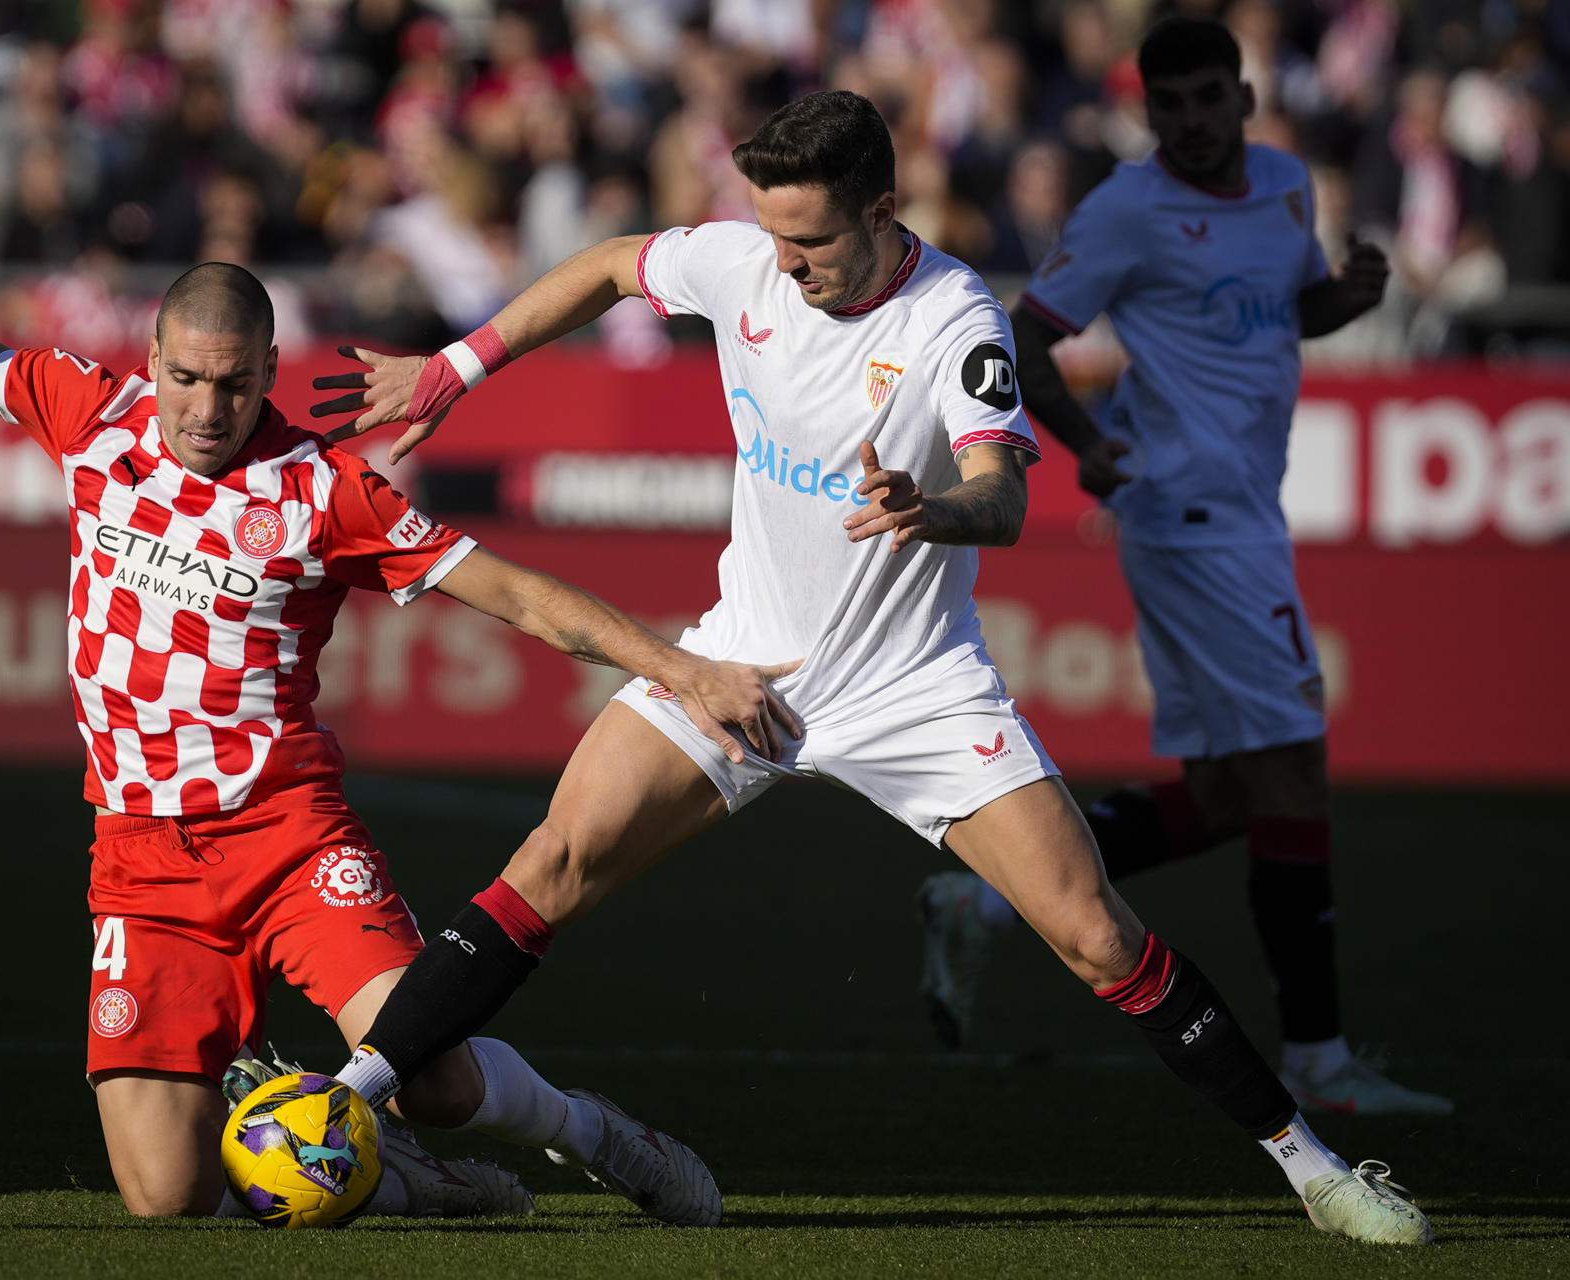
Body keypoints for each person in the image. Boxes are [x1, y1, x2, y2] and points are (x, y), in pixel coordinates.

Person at [310, 89, 1434, 1245]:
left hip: (912, 688)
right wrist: (459, 365)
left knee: (1096, 931)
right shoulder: (745, 262)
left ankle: (1319, 1171)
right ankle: (342, 1106)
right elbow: (608, 265)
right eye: (771, 233)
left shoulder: (956, 318)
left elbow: (1003, 492)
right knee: (552, 857)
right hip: (739, 660)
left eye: (810, 240)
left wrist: (930, 508)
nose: (784, 264)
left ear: (882, 209)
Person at [0, 208, 792, 1222]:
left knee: (434, 1075)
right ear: (150, 361)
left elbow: (515, 594)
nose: (205, 406)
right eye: (185, 377)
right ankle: (408, 1184)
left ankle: (595, 1133)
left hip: (288, 839)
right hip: (141, 855)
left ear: (267, 375)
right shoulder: (87, 413)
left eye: (232, 384)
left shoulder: (324, 490)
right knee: (165, 1195)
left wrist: (682, 669)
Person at [917, 16, 1452, 1120]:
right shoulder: (1126, 209)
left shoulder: (1288, 188)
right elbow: (1028, 334)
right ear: (1149, 112)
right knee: (1295, 777)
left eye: (1213, 98)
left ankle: (990, 902)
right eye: (1174, 105)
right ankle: (1319, 1055)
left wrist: (1337, 303)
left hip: (1245, 506)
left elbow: (1270, 315)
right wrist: (1086, 443)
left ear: (1245, 101)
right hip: (1188, 510)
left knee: (1227, 796)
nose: (1196, 121)